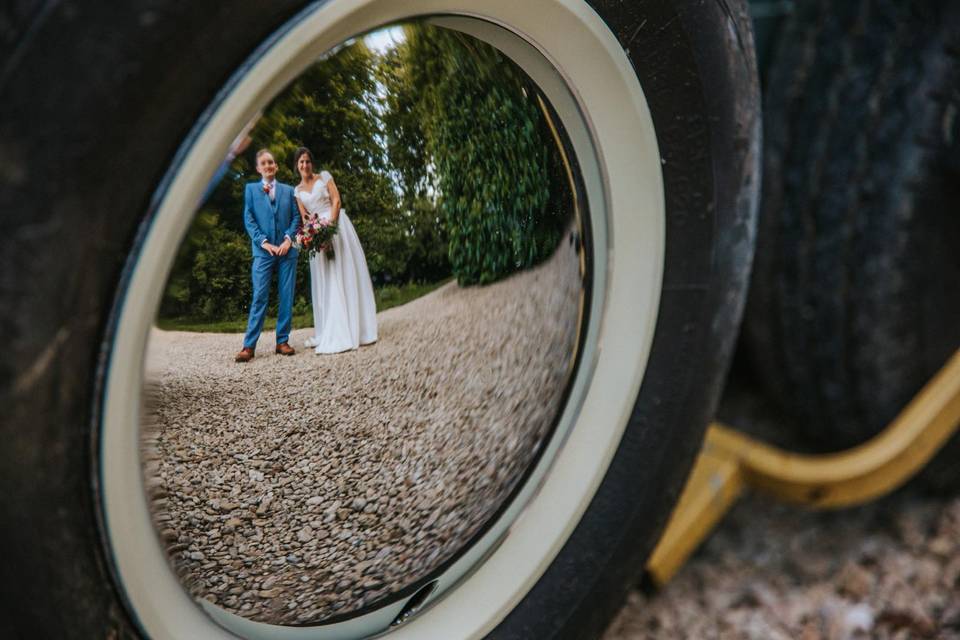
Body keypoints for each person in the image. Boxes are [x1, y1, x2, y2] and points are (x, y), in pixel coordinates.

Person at [293, 146, 377, 354]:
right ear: (297, 166)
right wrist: (314, 235)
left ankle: (357, 328)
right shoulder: (297, 191)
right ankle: (333, 327)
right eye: (301, 162)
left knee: (344, 272)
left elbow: (336, 200)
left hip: (337, 226)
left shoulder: (324, 177)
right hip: (317, 235)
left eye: (307, 161)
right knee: (327, 279)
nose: (305, 165)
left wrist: (329, 227)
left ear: (312, 163)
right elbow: (304, 216)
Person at [235, 149, 300, 363]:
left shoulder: (290, 191)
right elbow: (249, 219)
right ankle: (249, 346)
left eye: (271, 162)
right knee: (260, 296)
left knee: (286, 296)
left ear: (276, 166)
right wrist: (265, 243)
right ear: (258, 168)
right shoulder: (251, 190)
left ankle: (282, 341)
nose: (268, 165)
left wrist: (288, 240)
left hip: (287, 251)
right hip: (263, 253)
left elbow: (296, 217)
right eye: (264, 163)